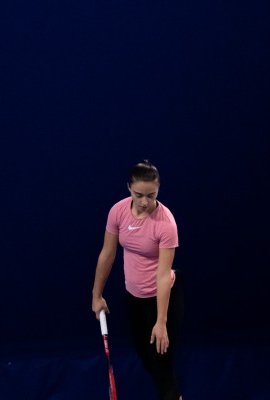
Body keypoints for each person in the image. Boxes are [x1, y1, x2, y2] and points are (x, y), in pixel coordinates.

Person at [91, 160, 184, 400]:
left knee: (162, 368)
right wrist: (97, 295)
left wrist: (161, 321)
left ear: (158, 189)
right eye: (138, 195)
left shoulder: (166, 224)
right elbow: (107, 254)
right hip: (134, 298)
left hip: (162, 299)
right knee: (148, 360)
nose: (144, 202)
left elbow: (163, 275)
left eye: (151, 195)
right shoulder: (118, 211)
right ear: (129, 188)